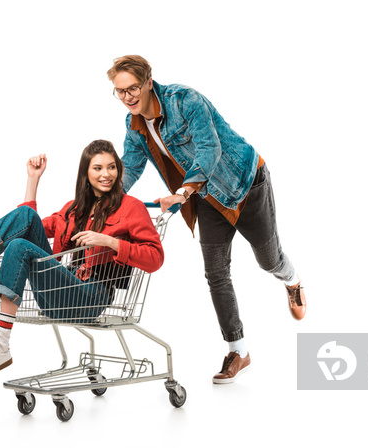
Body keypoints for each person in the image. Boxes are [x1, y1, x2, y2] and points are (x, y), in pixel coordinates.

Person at [107, 55, 306, 384]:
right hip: (207, 199)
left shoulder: (185, 101)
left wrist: (183, 193)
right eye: (119, 91)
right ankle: (238, 350)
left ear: (148, 82)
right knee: (215, 273)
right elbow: (129, 166)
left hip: (244, 184)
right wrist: (106, 199)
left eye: (132, 89)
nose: (127, 97)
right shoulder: (135, 126)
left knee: (269, 261)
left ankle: (293, 281)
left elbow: (209, 150)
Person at [0, 140, 164, 380]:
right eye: (97, 168)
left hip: (92, 295)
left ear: (119, 170)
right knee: (24, 220)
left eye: (112, 167)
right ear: (86, 173)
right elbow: (25, 224)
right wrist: (33, 179)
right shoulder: (74, 208)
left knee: (19, 246)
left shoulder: (131, 208)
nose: (106, 174)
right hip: (60, 290)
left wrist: (110, 242)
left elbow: (155, 258)